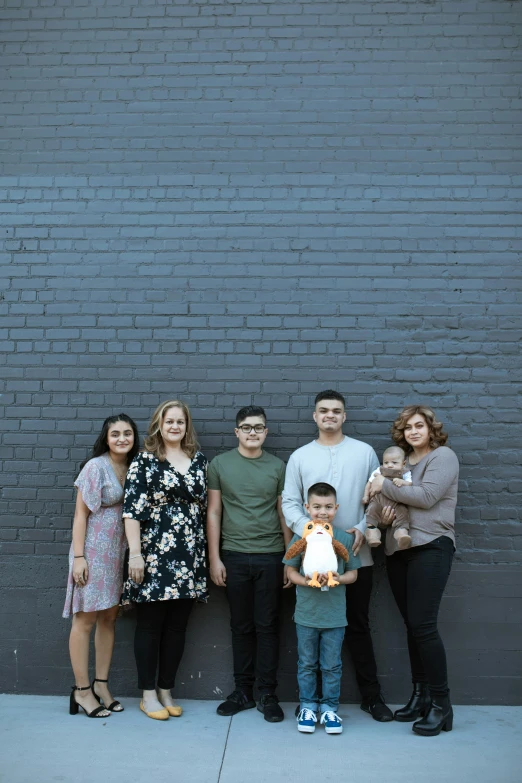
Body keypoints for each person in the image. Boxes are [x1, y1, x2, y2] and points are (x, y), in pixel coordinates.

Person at [282, 390, 394, 721]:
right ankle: (310, 703)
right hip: (310, 561)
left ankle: (371, 697)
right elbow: (289, 501)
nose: (330, 415)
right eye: (323, 410)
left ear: (344, 416)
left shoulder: (364, 453)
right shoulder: (300, 456)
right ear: (315, 417)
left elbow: (377, 495)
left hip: (357, 554)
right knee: (310, 633)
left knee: (358, 625)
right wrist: (314, 532)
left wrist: (362, 526)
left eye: (336, 411)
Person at [369, 405, 459, 736]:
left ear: (431, 428)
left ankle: (441, 704)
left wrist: (381, 483)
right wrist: (383, 516)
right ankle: (420, 696)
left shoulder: (443, 457)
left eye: (419, 426)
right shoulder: (404, 463)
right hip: (398, 550)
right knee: (412, 626)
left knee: (423, 625)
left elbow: (426, 496)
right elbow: (387, 510)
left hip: (432, 546)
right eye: (408, 428)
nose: (413, 432)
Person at [122, 400, 208, 721]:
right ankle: (147, 693)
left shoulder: (198, 460)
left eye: (180, 422)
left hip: (189, 554)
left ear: (187, 426)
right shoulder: (144, 461)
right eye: (169, 421)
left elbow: (205, 507)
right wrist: (135, 554)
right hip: (154, 553)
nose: (174, 426)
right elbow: (131, 511)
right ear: (159, 424)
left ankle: (166, 689)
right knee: (150, 626)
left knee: (177, 626)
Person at [207, 405, 292, 723]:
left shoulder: (278, 466)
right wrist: (214, 558)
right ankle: (242, 691)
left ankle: (267, 693)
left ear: (266, 432)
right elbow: (213, 512)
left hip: (271, 555)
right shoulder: (219, 464)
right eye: (247, 427)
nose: (253, 432)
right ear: (237, 432)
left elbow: (284, 513)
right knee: (241, 627)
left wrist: (289, 558)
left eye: (258, 427)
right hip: (234, 555)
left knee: (268, 627)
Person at [64, 414, 140, 718]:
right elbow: (80, 514)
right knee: (85, 620)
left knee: (109, 619)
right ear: (106, 438)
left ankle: (102, 685)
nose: (122, 439)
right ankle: (81, 691)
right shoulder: (96, 467)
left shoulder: (135, 466)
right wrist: (79, 557)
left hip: (118, 554)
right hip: (93, 553)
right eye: (115, 434)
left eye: (128, 433)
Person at [284, 483, 360, 734]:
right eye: (316, 507)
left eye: (328, 507)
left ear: (336, 508)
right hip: (306, 614)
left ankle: (329, 709)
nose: (322, 512)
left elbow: (353, 575)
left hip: (335, 617)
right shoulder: (302, 536)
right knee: (306, 664)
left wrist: (336, 578)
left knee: (331, 666)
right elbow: (290, 570)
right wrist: (308, 581)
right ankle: (307, 706)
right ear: (307, 508)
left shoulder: (344, 538)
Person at [363, 446, 413, 550]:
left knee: (403, 514)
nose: (389, 465)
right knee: (372, 511)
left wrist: (402, 482)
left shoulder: (405, 472)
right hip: (379, 500)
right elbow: (369, 483)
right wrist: (365, 496)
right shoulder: (379, 470)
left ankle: (401, 535)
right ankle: (372, 535)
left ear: (403, 464)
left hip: (397, 503)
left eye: (394, 463)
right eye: (386, 462)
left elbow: (410, 484)